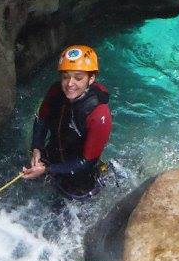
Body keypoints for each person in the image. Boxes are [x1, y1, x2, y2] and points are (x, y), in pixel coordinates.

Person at [22, 44, 112, 200]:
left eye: (78, 77)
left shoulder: (99, 114)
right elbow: (42, 119)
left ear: (91, 79)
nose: (70, 84)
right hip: (51, 160)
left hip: (81, 179)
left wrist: (47, 169)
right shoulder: (55, 91)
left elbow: (87, 162)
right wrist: (36, 148)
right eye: (65, 76)